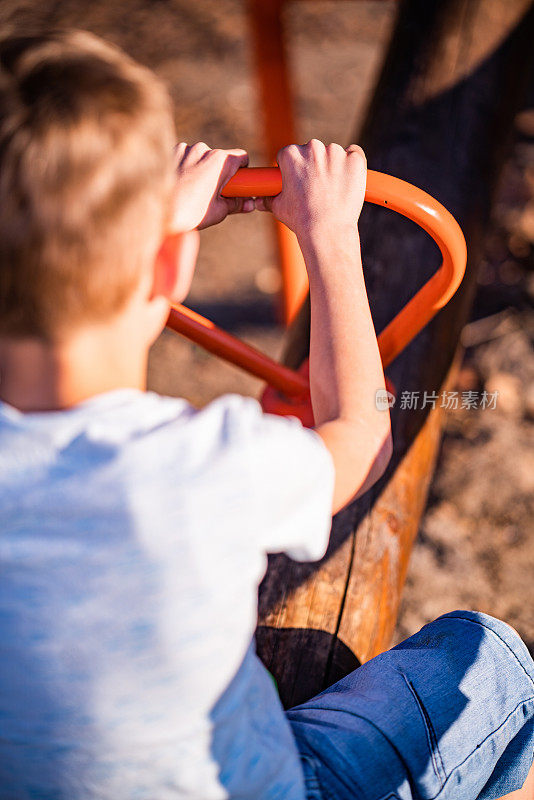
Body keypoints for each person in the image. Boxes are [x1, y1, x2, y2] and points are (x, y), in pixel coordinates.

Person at [0, 29, 532, 800]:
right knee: (492, 660)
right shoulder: (200, 466)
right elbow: (359, 434)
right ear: (168, 266)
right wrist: (333, 239)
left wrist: (158, 228)